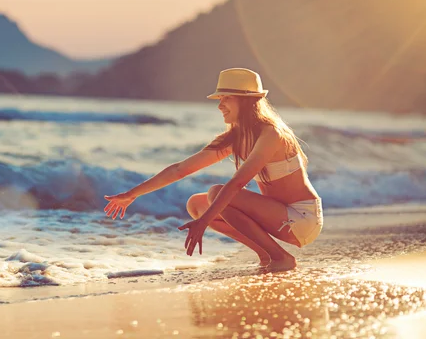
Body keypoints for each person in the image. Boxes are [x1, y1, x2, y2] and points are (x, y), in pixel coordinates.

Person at [103, 68, 323, 271]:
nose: (220, 105)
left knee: (217, 194)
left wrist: (204, 223)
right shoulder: (235, 138)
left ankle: (281, 257)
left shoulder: (271, 134)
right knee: (197, 204)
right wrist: (131, 194)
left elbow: (236, 184)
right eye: (220, 98)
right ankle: (266, 254)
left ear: (247, 101)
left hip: (302, 219)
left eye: (227, 98)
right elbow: (180, 169)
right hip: (279, 215)